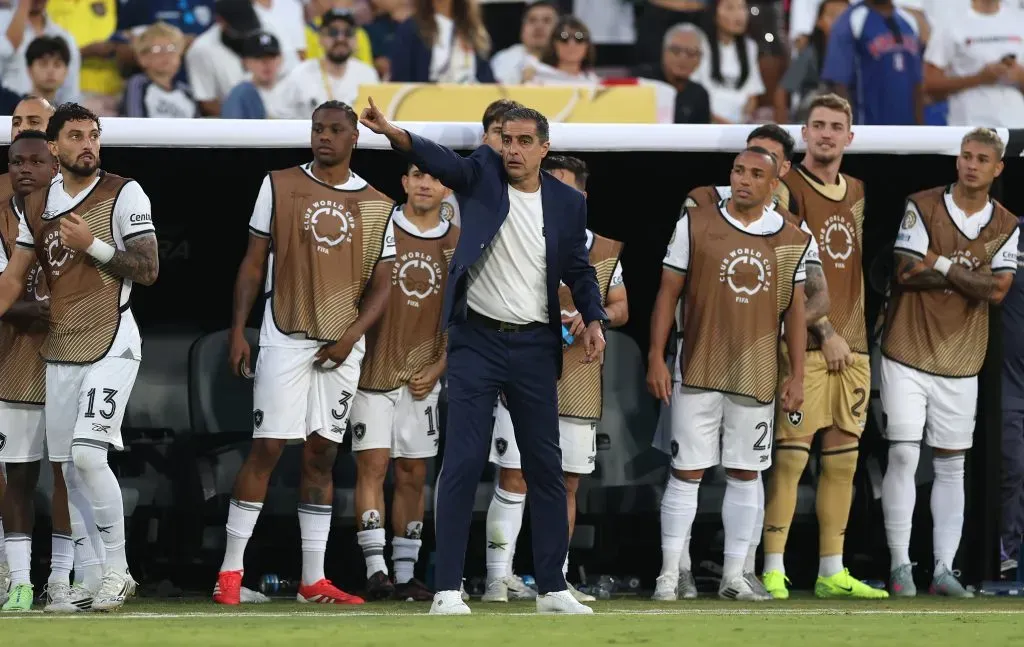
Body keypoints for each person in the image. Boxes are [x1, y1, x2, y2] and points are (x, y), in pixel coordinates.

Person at [360, 98, 608, 615]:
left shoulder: (567, 202)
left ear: (545, 148)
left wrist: (595, 319)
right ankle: (447, 588)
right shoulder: (480, 176)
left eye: (523, 141)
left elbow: (579, 269)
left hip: (537, 344)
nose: (511, 150)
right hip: (476, 341)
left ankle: (552, 588)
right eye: (504, 139)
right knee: (464, 460)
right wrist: (392, 133)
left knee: (545, 465)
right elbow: (439, 158)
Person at [213, 100, 395, 607]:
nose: (324, 137)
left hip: (341, 341)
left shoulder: (380, 203)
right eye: (318, 129)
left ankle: (313, 580)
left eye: (336, 130)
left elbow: (384, 287)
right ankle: (229, 574)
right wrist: (238, 329)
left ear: (355, 137)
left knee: (322, 453)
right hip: (285, 331)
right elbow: (252, 264)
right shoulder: (278, 184)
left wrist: (351, 336)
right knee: (268, 447)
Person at [652, 125, 823, 602]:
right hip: (698, 364)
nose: (743, 180)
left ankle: (734, 577)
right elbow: (668, 294)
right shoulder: (695, 222)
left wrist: (795, 375)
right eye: (737, 171)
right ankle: (669, 574)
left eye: (755, 174)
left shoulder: (793, 237)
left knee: (747, 472)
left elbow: (794, 309)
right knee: (687, 470)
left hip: (756, 372)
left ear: (774, 184)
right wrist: (656, 359)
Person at [0, 102, 159, 612]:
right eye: (75, 136)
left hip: (113, 341)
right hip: (62, 348)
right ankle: (91, 574)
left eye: (93, 135)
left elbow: (149, 268)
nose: (88, 144)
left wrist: (95, 245)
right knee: (68, 471)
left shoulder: (123, 191)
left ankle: (118, 571)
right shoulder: (37, 205)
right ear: (54, 147)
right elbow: (12, 277)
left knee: (90, 455)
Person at [881, 127, 1019, 597]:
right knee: (902, 452)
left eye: (982, 158)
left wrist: (936, 262)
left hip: (961, 356)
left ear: (997, 168)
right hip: (906, 348)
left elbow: (997, 292)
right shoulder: (922, 204)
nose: (971, 164)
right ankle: (900, 564)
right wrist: (965, 276)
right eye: (965, 156)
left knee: (951, 464)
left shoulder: (1007, 224)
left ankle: (943, 569)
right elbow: (903, 271)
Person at [484, 154, 627, 604]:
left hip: (579, 380)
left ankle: (556, 577)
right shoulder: (515, 235)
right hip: (523, 372)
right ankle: (497, 578)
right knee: (514, 477)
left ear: (581, 196)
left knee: (566, 482)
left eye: (562, 186)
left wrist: (594, 318)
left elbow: (621, 305)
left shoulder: (602, 249)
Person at [761, 93, 887, 600]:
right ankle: (773, 567)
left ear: (850, 137)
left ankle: (831, 570)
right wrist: (825, 332)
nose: (827, 134)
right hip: (808, 347)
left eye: (837, 126)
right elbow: (787, 276)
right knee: (791, 459)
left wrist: (850, 339)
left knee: (843, 460)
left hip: (852, 352)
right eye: (818, 125)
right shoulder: (786, 190)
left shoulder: (856, 190)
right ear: (805, 133)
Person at [1, 103, 99, 614]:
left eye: (35, 161)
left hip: (73, 356)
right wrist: (32, 306)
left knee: (70, 471)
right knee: (16, 472)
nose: (24, 170)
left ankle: (63, 578)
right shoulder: (8, 215)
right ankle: (18, 579)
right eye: (16, 161)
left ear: (55, 162)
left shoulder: (87, 207)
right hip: (13, 360)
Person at [350, 163, 459, 602]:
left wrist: (440, 367)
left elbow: (465, 312)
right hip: (373, 369)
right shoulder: (380, 227)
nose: (425, 183)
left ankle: (406, 572)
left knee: (413, 473)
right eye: (417, 175)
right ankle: (376, 571)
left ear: (445, 186)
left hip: (424, 374)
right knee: (372, 467)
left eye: (433, 177)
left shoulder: (456, 241)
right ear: (405, 181)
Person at [275, 8, 380, 119]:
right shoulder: (300, 74)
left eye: (348, 32)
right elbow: (281, 117)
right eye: (333, 32)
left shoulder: (368, 75)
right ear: (320, 37)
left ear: (355, 39)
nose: (340, 38)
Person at [120, 22, 199, 119]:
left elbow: (197, 128)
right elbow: (135, 121)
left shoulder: (187, 93)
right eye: (157, 49)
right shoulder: (139, 84)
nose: (166, 55)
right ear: (142, 58)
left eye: (171, 49)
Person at [25, 35, 70, 105]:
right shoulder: (10, 108)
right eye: (43, 64)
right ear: (30, 70)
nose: (50, 71)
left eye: (57, 65)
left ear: (66, 71)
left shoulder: (67, 114)